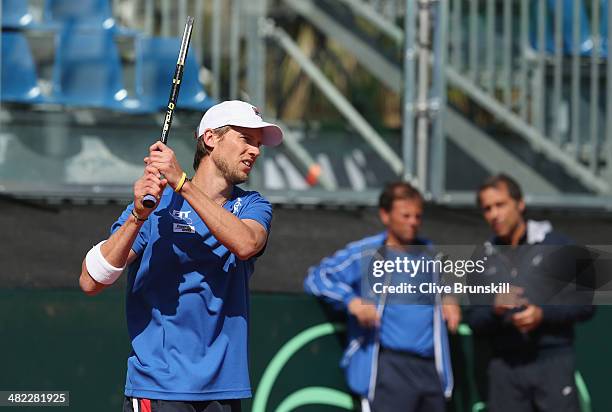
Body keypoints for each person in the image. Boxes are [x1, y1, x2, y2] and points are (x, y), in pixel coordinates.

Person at [78, 100, 283, 412]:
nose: (255, 151)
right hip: (159, 387)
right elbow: (91, 281)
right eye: (245, 139)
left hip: (223, 392)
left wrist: (182, 184)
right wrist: (138, 215)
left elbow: (246, 243)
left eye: (258, 144)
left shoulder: (254, 205)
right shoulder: (156, 206)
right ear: (211, 138)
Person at [304, 182, 455, 412]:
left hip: (430, 369)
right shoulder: (367, 252)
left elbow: (449, 285)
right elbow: (317, 277)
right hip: (388, 367)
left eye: (417, 216)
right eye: (405, 215)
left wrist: (449, 298)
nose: (413, 222)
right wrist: (351, 300)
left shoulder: (432, 255)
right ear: (385, 215)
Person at [467, 174, 595, 412]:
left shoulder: (558, 244)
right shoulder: (481, 257)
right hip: (505, 368)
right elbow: (474, 319)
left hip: (553, 362)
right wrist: (494, 309)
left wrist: (542, 314)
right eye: (487, 208)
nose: (494, 214)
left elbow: (586, 304)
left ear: (520, 204)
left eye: (500, 204)